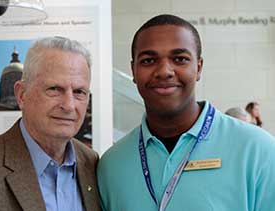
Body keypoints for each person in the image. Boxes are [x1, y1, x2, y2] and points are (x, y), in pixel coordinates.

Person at [97, 14, 275, 211]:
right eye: (148, 60)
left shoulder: (257, 150)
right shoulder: (111, 165)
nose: (164, 71)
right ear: (134, 71)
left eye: (180, 59)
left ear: (198, 68)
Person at [0, 37, 101, 211]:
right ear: (22, 95)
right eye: (54, 89)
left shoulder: (92, 164)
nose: (69, 105)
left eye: (79, 92)